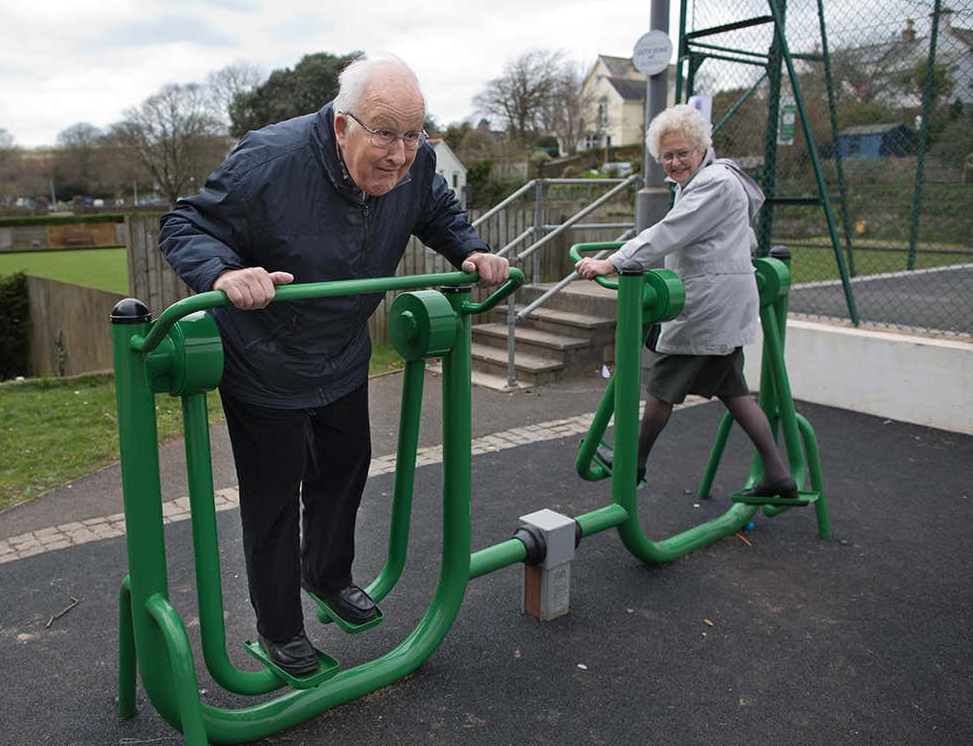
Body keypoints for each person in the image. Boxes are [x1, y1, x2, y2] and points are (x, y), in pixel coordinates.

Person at [158, 51, 510, 676]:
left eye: (412, 134)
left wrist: (472, 250)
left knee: (345, 468)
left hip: (342, 352)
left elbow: (434, 209)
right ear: (343, 125)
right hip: (265, 356)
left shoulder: (417, 162)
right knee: (273, 495)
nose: (400, 153)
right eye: (385, 133)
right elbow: (186, 224)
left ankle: (326, 576)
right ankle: (279, 628)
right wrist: (225, 271)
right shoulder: (271, 160)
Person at [574, 103, 796, 503]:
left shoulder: (713, 184)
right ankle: (778, 473)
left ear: (702, 148)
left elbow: (670, 232)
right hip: (721, 305)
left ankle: (633, 462)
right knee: (735, 393)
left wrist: (613, 261)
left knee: (661, 387)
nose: (675, 162)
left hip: (705, 308)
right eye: (668, 156)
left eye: (683, 153)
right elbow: (741, 238)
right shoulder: (709, 182)